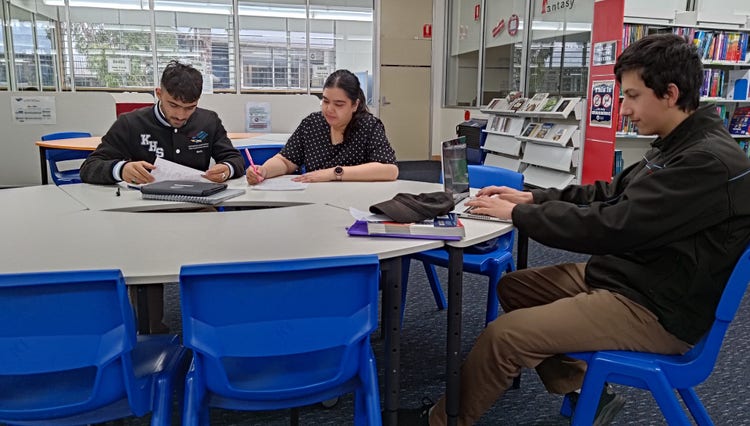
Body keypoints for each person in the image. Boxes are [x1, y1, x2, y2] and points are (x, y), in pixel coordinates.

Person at [411, 33, 750, 426]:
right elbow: (608, 192)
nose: (622, 109)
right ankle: (582, 385)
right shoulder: (677, 143)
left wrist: (516, 216)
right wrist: (533, 199)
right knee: (514, 287)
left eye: (632, 96)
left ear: (670, 94)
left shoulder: (705, 162)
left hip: (656, 307)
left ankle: (441, 421)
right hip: (636, 276)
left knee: (506, 336)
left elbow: (609, 227)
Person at [80, 60, 245, 333]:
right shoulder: (131, 124)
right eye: (173, 105)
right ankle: (152, 328)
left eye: (189, 107)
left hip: (196, 207)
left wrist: (225, 169)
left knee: (218, 242)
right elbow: (90, 167)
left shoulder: (208, 120)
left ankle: (211, 323)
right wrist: (122, 168)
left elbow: (234, 159)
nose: (181, 115)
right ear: (158, 93)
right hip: (147, 212)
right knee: (144, 256)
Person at [245, 69, 398, 184]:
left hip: (356, 200)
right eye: (325, 101)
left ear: (354, 105)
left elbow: (389, 170)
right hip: (315, 199)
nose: (329, 109)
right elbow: (285, 160)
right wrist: (263, 171)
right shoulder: (312, 124)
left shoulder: (368, 126)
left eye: (338, 104)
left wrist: (334, 173)